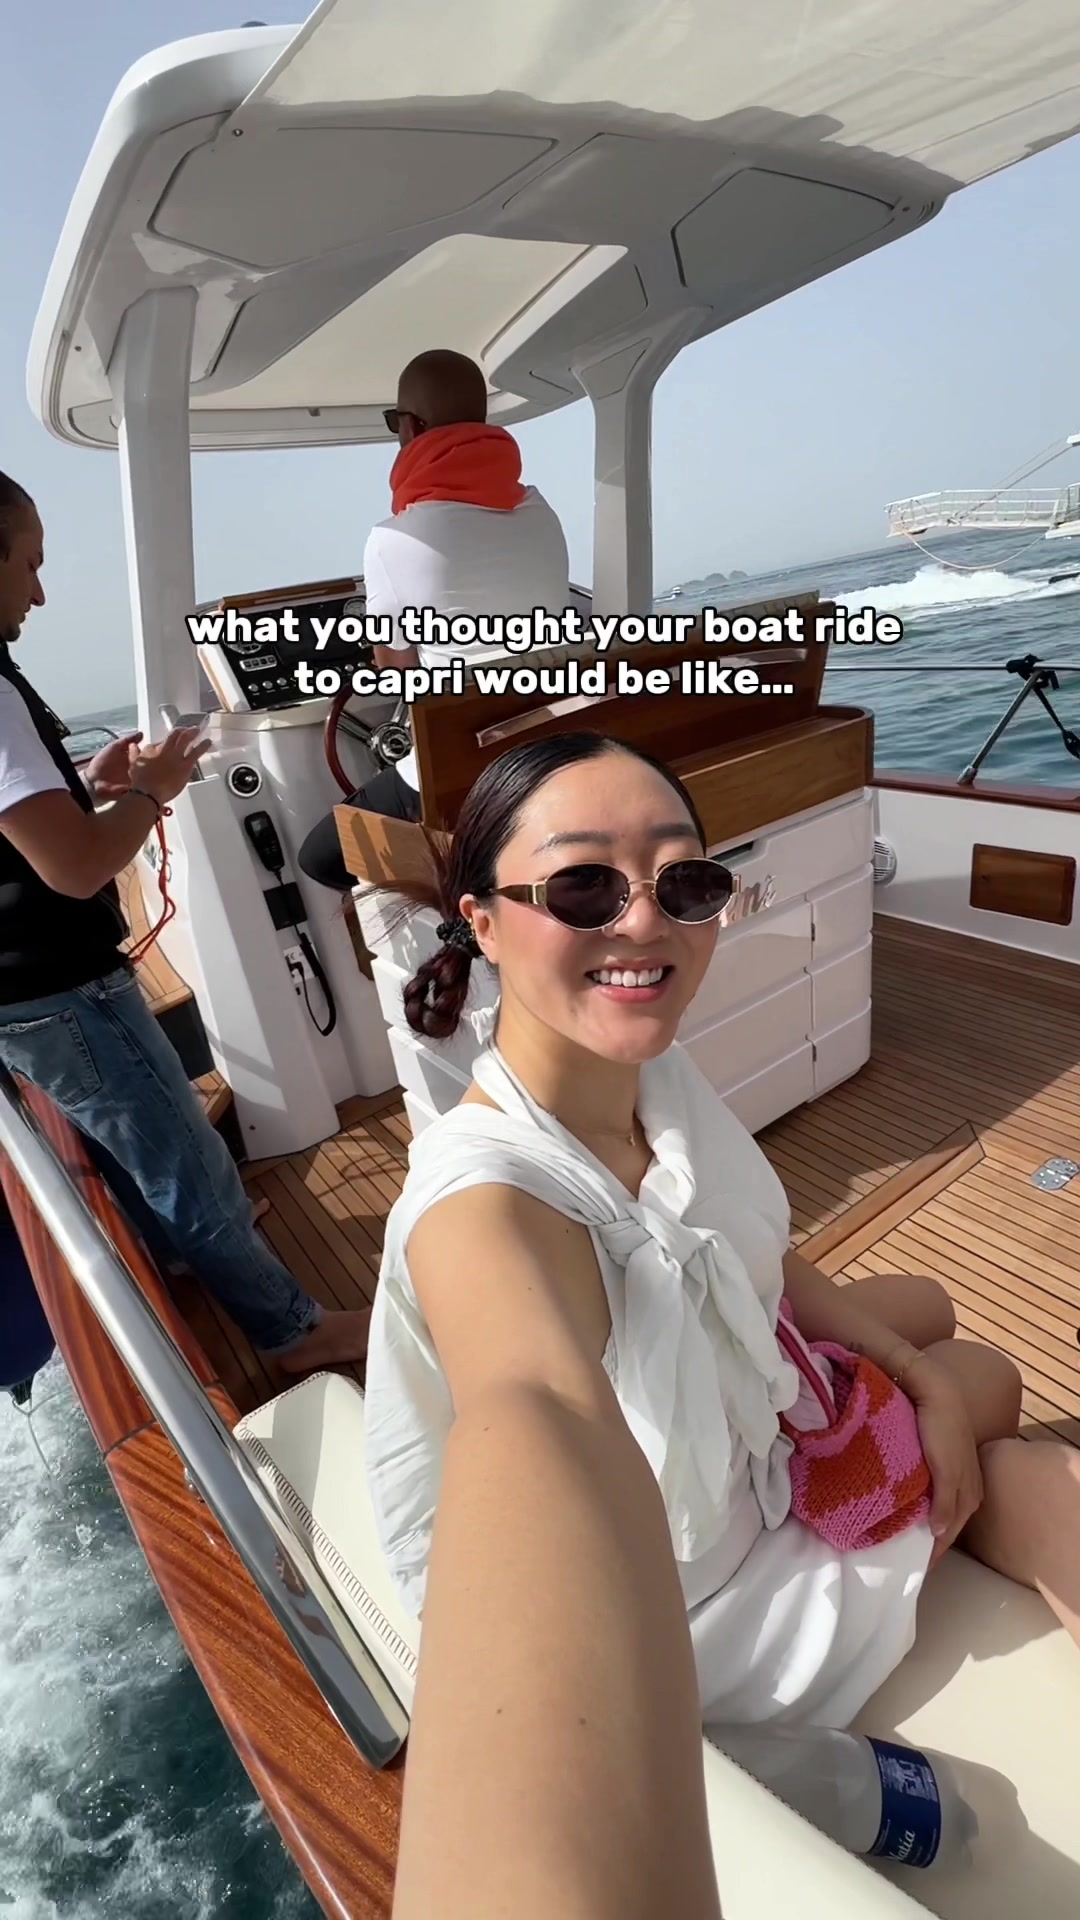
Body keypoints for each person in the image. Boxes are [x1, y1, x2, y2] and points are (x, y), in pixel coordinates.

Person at [363, 730, 1080, 1743]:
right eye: (583, 887)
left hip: (737, 1434)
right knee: (1003, 1407)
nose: (643, 921)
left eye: (683, 882)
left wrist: (915, 1375)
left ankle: (942, 1456)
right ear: (482, 922)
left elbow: (749, 1255)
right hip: (702, 1609)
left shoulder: (646, 1072)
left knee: (935, 1316)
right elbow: (527, 1423)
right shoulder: (485, 1218)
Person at [0, 470, 369, 1373]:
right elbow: (76, 867)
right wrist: (154, 791)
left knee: (156, 1149)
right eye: (30, 564)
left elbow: (25, 826)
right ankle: (292, 1332)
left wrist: (89, 786)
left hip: (28, 992)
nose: (40, 593)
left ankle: (190, 1248)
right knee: (183, 1160)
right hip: (57, 988)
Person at [298, 348, 571, 890]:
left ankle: (468, 898)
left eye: (395, 422)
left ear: (413, 427)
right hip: (553, 744)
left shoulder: (391, 540)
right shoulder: (542, 513)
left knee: (321, 857)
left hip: (465, 767)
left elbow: (398, 676)